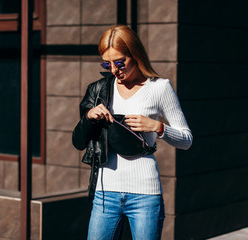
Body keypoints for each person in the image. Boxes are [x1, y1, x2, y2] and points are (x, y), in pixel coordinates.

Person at [72, 25, 192, 240]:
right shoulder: (100, 89)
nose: (114, 70)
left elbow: (187, 140)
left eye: (119, 62)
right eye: (106, 64)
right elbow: (78, 140)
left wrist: (158, 127)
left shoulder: (159, 88)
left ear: (135, 54)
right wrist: (89, 116)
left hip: (145, 195)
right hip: (105, 194)